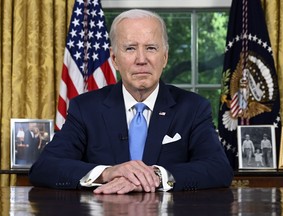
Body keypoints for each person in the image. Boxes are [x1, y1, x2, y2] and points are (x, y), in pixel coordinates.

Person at [29, 9, 233, 194]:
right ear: (114, 58)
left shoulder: (193, 108)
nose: (141, 59)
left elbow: (219, 169)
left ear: (165, 56)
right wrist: (108, 173)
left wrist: (156, 176)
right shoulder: (86, 108)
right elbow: (45, 167)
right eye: (130, 48)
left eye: (151, 48)